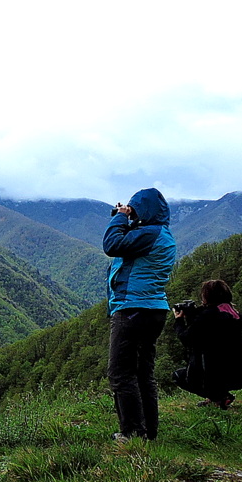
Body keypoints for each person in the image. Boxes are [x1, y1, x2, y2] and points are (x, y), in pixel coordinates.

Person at [104, 188, 176, 441]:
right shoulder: (160, 234)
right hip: (153, 310)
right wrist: (126, 219)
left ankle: (132, 433)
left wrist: (120, 217)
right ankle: (148, 432)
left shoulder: (148, 234)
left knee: (121, 372)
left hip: (133, 308)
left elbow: (111, 245)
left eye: (134, 208)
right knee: (143, 373)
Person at [172, 279, 242, 409]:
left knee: (179, 376)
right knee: (210, 368)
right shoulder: (233, 314)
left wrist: (179, 321)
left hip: (217, 374)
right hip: (241, 373)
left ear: (207, 296)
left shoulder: (208, 317)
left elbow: (187, 339)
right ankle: (218, 396)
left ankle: (219, 397)